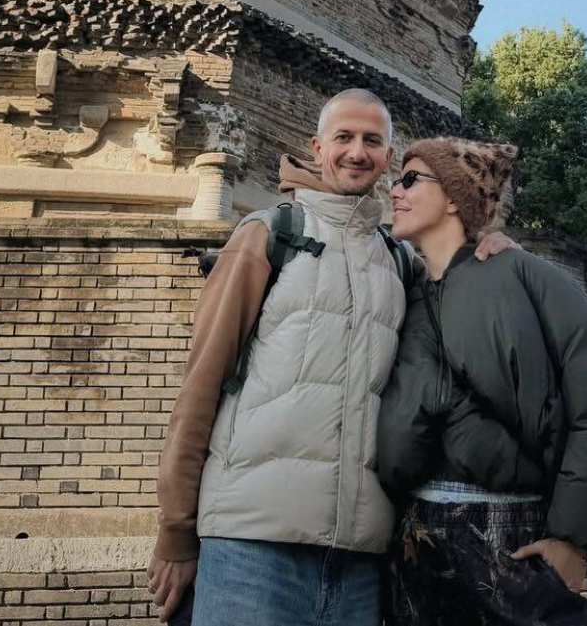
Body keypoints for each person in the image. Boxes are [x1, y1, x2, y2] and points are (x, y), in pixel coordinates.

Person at [146, 90, 514, 626]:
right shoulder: (270, 234)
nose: (357, 152)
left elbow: (458, 306)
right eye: (344, 137)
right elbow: (201, 384)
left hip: (359, 561)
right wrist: (176, 531)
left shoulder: (399, 261)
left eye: (372, 141)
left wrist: (494, 251)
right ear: (318, 148)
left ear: (388, 158)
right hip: (251, 544)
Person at [377, 138, 587, 626]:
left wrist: (576, 541)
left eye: (411, 179)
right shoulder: (405, 290)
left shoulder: (525, 274)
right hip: (415, 545)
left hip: (509, 535)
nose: (394, 190)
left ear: (456, 197)